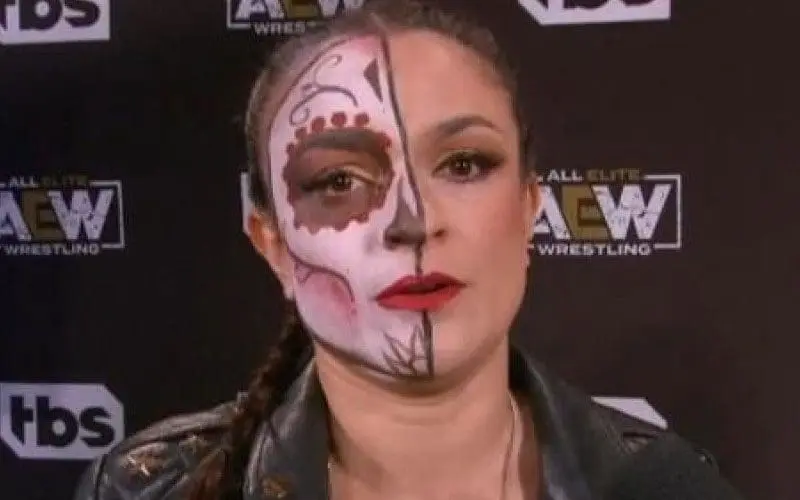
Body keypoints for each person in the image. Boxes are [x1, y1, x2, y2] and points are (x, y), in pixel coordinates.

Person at [73, 1, 743, 499]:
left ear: (529, 207)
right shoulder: (146, 491)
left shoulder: (665, 488)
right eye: (338, 181)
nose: (413, 221)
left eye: (464, 164)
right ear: (273, 246)